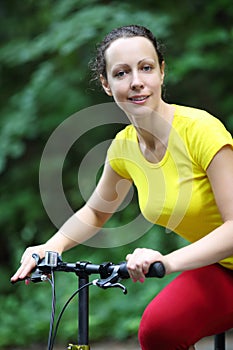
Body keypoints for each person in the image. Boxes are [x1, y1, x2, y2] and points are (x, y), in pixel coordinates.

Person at [11, 25, 233, 350]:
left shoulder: (202, 131)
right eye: (121, 73)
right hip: (224, 271)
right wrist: (50, 248)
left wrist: (167, 261)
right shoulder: (123, 148)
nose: (136, 82)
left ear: (161, 72)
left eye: (146, 68)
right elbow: (96, 212)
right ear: (106, 83)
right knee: (160, 331)